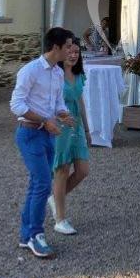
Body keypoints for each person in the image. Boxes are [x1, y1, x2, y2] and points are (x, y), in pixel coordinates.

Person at [10, 27, 78, 259]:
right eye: (68, 45)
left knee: (37, 184)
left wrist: (63, 115)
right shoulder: (30, 71)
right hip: (30, 133)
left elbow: (57, 103)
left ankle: (26, 235)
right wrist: (45, 121)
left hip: (47, 133)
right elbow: (16, 105)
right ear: (55, 47)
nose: (71, 50)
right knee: (41, 184)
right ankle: (36, 235)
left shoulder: (57, 73)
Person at [49, 38, 91, 236]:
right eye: (70, 51)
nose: (73, 55)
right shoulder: (54, 75)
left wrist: (88, 127)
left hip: (77, 126)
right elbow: (48, 103)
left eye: (77, 52)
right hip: (60, 125)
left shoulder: (79, 74)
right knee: (62, 170)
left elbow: (80, 100)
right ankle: (60, 219)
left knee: (82, 170)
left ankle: (55, 198)